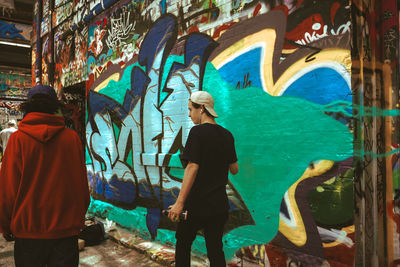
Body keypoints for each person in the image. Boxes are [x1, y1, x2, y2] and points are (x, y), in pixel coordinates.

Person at [0, 85, 90, 267]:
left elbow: (7, 189)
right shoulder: (71, 139)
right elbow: (81, 186)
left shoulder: (18, 140)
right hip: (65, 231)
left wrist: (5, 225)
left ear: (28, 107)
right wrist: (77, 220)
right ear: (53, 106)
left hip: (28, 232)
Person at [168, 90, 239, 267]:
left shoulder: (197, 132)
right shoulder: (227, 135)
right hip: (219, 205)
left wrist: (179, 203)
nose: (189, 114)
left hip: (197, 205)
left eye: (191, 109)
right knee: (215, 249)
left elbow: (192, 166)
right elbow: (234, 169)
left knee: (183, 244)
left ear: (202, 108)